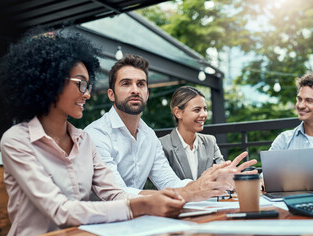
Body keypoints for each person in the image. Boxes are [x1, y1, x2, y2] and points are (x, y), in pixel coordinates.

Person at [0, 30, 186, 236]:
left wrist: (159, 199)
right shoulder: (16, 141)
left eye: (88, 85)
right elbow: (61, 211)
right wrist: (140, 205)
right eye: (81, 83)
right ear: (52, 81)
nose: (87, 93)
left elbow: (114, 193)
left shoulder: (84, 141)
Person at [85, 54, 257, 201]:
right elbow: (118, 194)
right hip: (99, 225)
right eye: (126, 84)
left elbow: (169, 181)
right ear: (111, 94)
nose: (135, 90)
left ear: (147, 93)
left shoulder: (149, 136)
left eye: (141, 84)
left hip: (138, 218)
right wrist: (190, 192)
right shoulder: (95, 135)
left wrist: (207, 183)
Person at [159, 86, 224, 180]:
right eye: (197, 110)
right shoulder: (162, 145)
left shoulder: (210, 141)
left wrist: (236, 175)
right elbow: (165, 183)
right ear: (178, 113)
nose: (204, 114)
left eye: (205, 109)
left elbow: (222, 173)